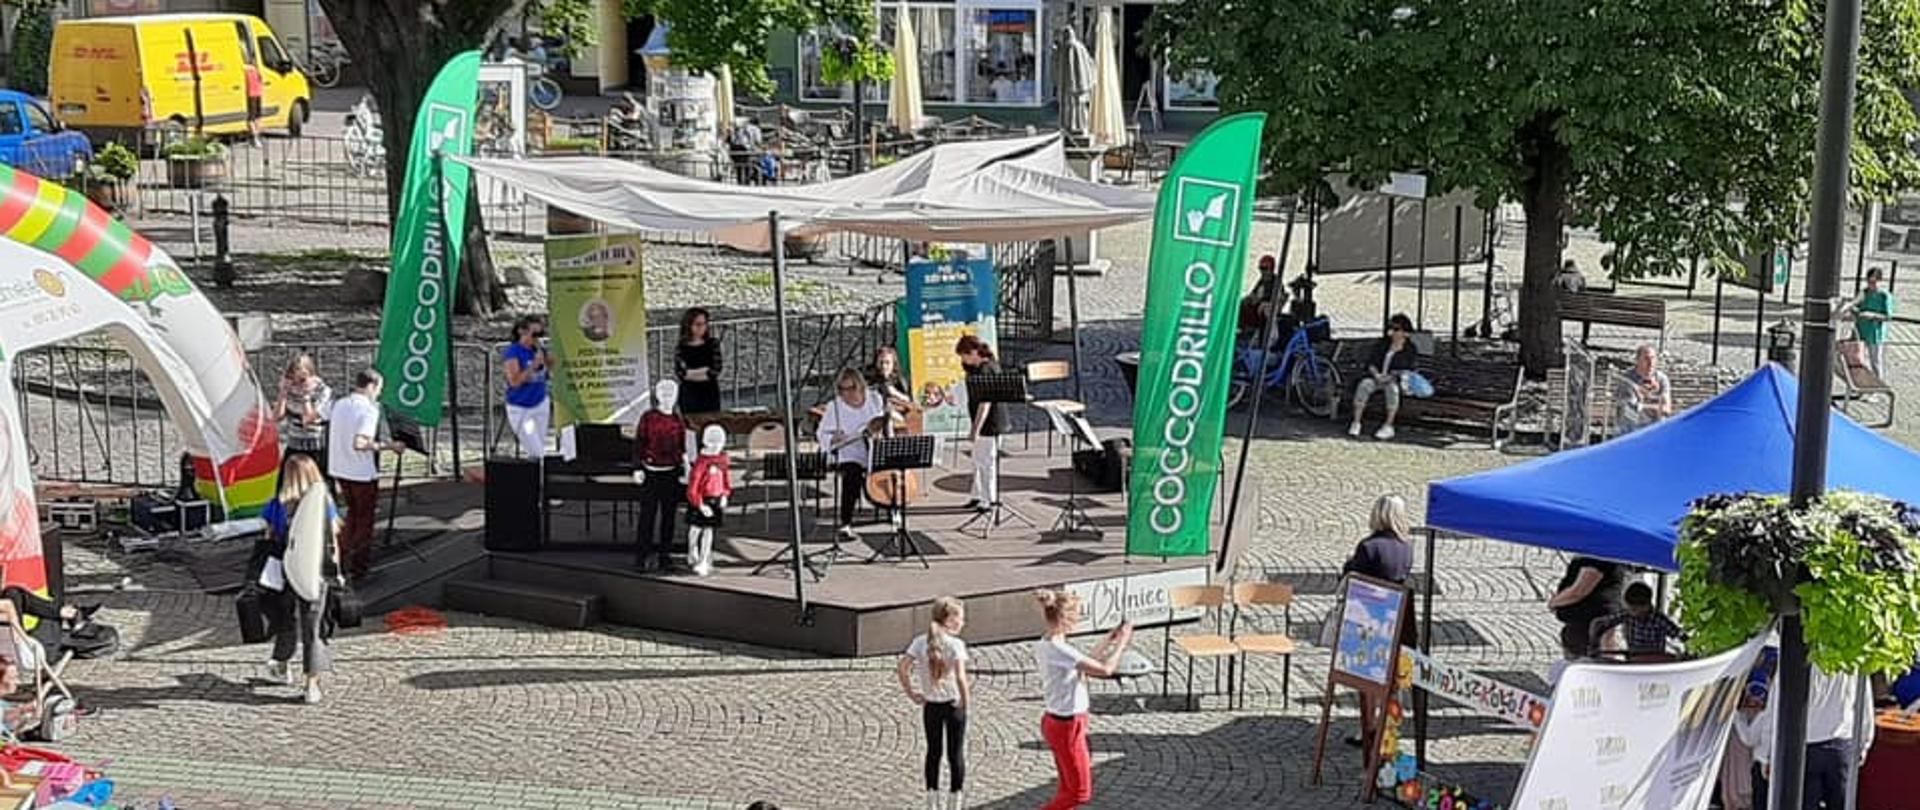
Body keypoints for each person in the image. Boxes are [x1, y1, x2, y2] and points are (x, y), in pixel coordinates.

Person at [253, 454, 341, 704]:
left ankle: (281, 663)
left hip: (284, 569)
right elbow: (333, 539)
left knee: (285, 621)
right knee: (312, 628)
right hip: (315, 570)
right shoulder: (323, 505)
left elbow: (269, 535)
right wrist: (338, 572)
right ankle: (311, 684)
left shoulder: (277, 505)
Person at [1033, 589, 1132, 810]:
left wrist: (1109, 639)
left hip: (1058, 721)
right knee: (1079, 793)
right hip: (1067, 725)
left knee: (1067, 789)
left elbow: (1085, 662)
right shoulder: (1059, 649)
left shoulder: (1049, 642)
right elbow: (1105, 669)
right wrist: (1122, 643)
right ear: (1066, 619)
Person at [1338, 494, 1414, 746]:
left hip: (1371, 618)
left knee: (1368, 679)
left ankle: (1369, 729)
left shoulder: (1368, 547)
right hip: (1398, 617)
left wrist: (1348, 563)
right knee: (1392, 679)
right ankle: (1389, 727)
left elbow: (1353, 576)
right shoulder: (1407, 546)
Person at [1751, 662, 1873, 810]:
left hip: (1806, 746)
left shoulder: (1796, 659)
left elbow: (1775, 709)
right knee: (1842, 804)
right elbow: (1864, 702)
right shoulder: (1853, 661)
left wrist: (1765, 754)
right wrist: (1864, 742)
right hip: (1841, 745)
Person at [327, 369, 403, 579]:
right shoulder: (368, 410)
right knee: (364, 520)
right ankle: (359, 567)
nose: (378, 394)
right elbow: (360, 443)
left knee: (351, 515)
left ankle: (342, 559)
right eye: (379, 389)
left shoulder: (340, 403)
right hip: (360, 472)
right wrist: (389, 446)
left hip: (340, 468)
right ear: (371, 386)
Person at [898, 596, 972, 810]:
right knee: (955, 753)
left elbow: (903, 667)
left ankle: (932, 800)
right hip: (953, 704)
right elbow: (960, 678)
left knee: (933, 752)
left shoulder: (920, 642)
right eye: (960, 618)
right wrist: (966, 703)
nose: (962, 623)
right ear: (949, 620)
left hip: (931, 705)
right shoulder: (956, 645)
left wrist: (911, 693)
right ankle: (954, 802)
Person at [818, 368, 888, 542]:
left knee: (892, 470)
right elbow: (821, 433)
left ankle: (892, 510)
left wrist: (879, 427)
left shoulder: (874, 399)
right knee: (852, 475)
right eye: (842, 389)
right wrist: (833, 437)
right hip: (848, 451)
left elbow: (883, 422)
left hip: (873, 448)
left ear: (860, 386)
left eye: (850, 388)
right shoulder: (835, 406)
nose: (846, 394)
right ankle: (846, 523)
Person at [633, 380, 688, 572]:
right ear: (657, 395)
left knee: (669, 516)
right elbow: (639, 442)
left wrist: (685, 469)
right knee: (647, 516)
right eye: (663, 393)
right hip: (651, 473)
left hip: (671, 474)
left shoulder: (678, 420)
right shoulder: (648, 418)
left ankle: (665, 554)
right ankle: (642, 555)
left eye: (671, 393)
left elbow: (683, 448)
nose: (667, 396)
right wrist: (638, 467)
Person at [956, 336, 1007, 512]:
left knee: (986, 462)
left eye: (963, 356)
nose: (963, 360)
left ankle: (988, 499)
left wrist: (974, 430)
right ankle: (977, 496)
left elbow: (985, 403)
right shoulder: (978, 368)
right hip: (983, 423)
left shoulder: (987, 369)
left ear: (973, 353)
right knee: (977, 461)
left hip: (990, 424)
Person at [1348, 314, 1418, 441]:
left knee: (1392, 390)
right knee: (1364, 385)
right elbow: (1371, 363)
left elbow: (1408, 369)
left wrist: (1391, 376)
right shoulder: (1383, 344)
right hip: (1378, 377)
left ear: (1404, 332)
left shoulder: (1409, 349)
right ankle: (1356, 421)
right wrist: (1377, 375)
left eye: (1396, 329)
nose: (1392, 332)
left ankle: (1388, 425)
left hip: (1395, 380)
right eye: (1391, 328)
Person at [1548, 556, 1625, 659]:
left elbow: (1579, 591)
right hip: (1586, 624)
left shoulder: (1596, 558)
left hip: (1587, 626)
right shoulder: (1595, 556)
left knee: (1584, 666)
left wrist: (1554, 602)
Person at [502, 316, 553, 460]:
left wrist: (548, 358)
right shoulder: (513, 352)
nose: (537, 339)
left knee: (538, 447)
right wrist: (533, 366)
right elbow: (515, 381)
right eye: (534, 334)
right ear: (522, 332)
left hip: (540, 403)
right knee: (536, 449)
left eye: (541, 334)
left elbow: (552, 370)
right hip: (521, 408)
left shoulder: (538, 350)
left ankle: (537, 479)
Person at [1588, 581, 1685, 657]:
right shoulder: (1626, 614)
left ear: (1646, 606)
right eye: (1629, 608)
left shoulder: (1659, 620)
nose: (1630, 611)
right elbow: (1599, 623)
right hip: (1633, 657)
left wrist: (1686, 650)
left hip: (1655, 661)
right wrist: (1594, 641)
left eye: (1634, 609)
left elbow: (1679, 635)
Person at [684, 425, 732, 577]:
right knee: (696, 529)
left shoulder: (723, 460)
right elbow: (693, 486)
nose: (717, 446)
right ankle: (692, 550)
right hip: (701, 500)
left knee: (709, 531)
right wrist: (699, 504)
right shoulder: (701, 463)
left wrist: (725, 494)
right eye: (713, 442)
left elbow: (726, 480)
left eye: (720, 442)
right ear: (706, 442)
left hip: (715, 499)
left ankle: (704, 559)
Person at [275, 354, 332, 472]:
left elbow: (309, 420)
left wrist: (305, 396)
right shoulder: (291, 389)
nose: (296, 381)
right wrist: (283, 393)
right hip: (294, 441)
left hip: (315, 443)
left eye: (301, 376)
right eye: (292, 375)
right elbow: (277, 416)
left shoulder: (322, 390)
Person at [1613, 344, 1673, 436]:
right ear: (1637, 361)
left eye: (1653, 358)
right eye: (1646, 359)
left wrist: (1643, 405)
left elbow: (1667, 409)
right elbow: (1631, 411)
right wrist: (1656, 406)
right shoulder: (1627, 380)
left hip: (1655, 427)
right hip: (1631, 429)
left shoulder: (1662, 379)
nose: (1650, 363)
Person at [675, 307, 723, 415]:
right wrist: (703, 371)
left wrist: (692, 373)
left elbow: (715, 370)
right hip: (689, 393)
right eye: (697, 324)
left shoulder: (713, 344)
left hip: (709, 392)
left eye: (704, 324)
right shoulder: (681, 347)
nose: (701, 328)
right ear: (689, 325)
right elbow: (681, 373)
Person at [1850, 267, 1894, 375]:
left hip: (1874, 333)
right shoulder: (1864, 292)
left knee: (1875, 361)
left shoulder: (1884, 296)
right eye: (1869, 282)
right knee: (1857, 359)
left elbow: (1888, 316)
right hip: (1861, 331)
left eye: (1874, 282)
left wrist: (1872, 315)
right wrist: (1854, 310)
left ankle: (1877, 384)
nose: (1871, 285)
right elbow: (1855, 306)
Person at [866, 346, 914, 412]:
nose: (884, 366)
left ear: (893, 364)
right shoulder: (870, 379)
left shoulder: (901, 380)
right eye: (881, 362)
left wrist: (895, 393)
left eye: (887, 363)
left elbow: (911, 401)